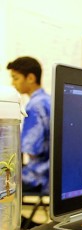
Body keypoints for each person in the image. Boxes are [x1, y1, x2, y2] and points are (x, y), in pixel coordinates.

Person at [6, 57, 50, 194]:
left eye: (16, 78)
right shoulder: (49, 100)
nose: (13, 83)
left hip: (39, 175)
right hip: (54, 172)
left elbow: (31, 150)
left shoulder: (34, 106)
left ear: (30, 78)